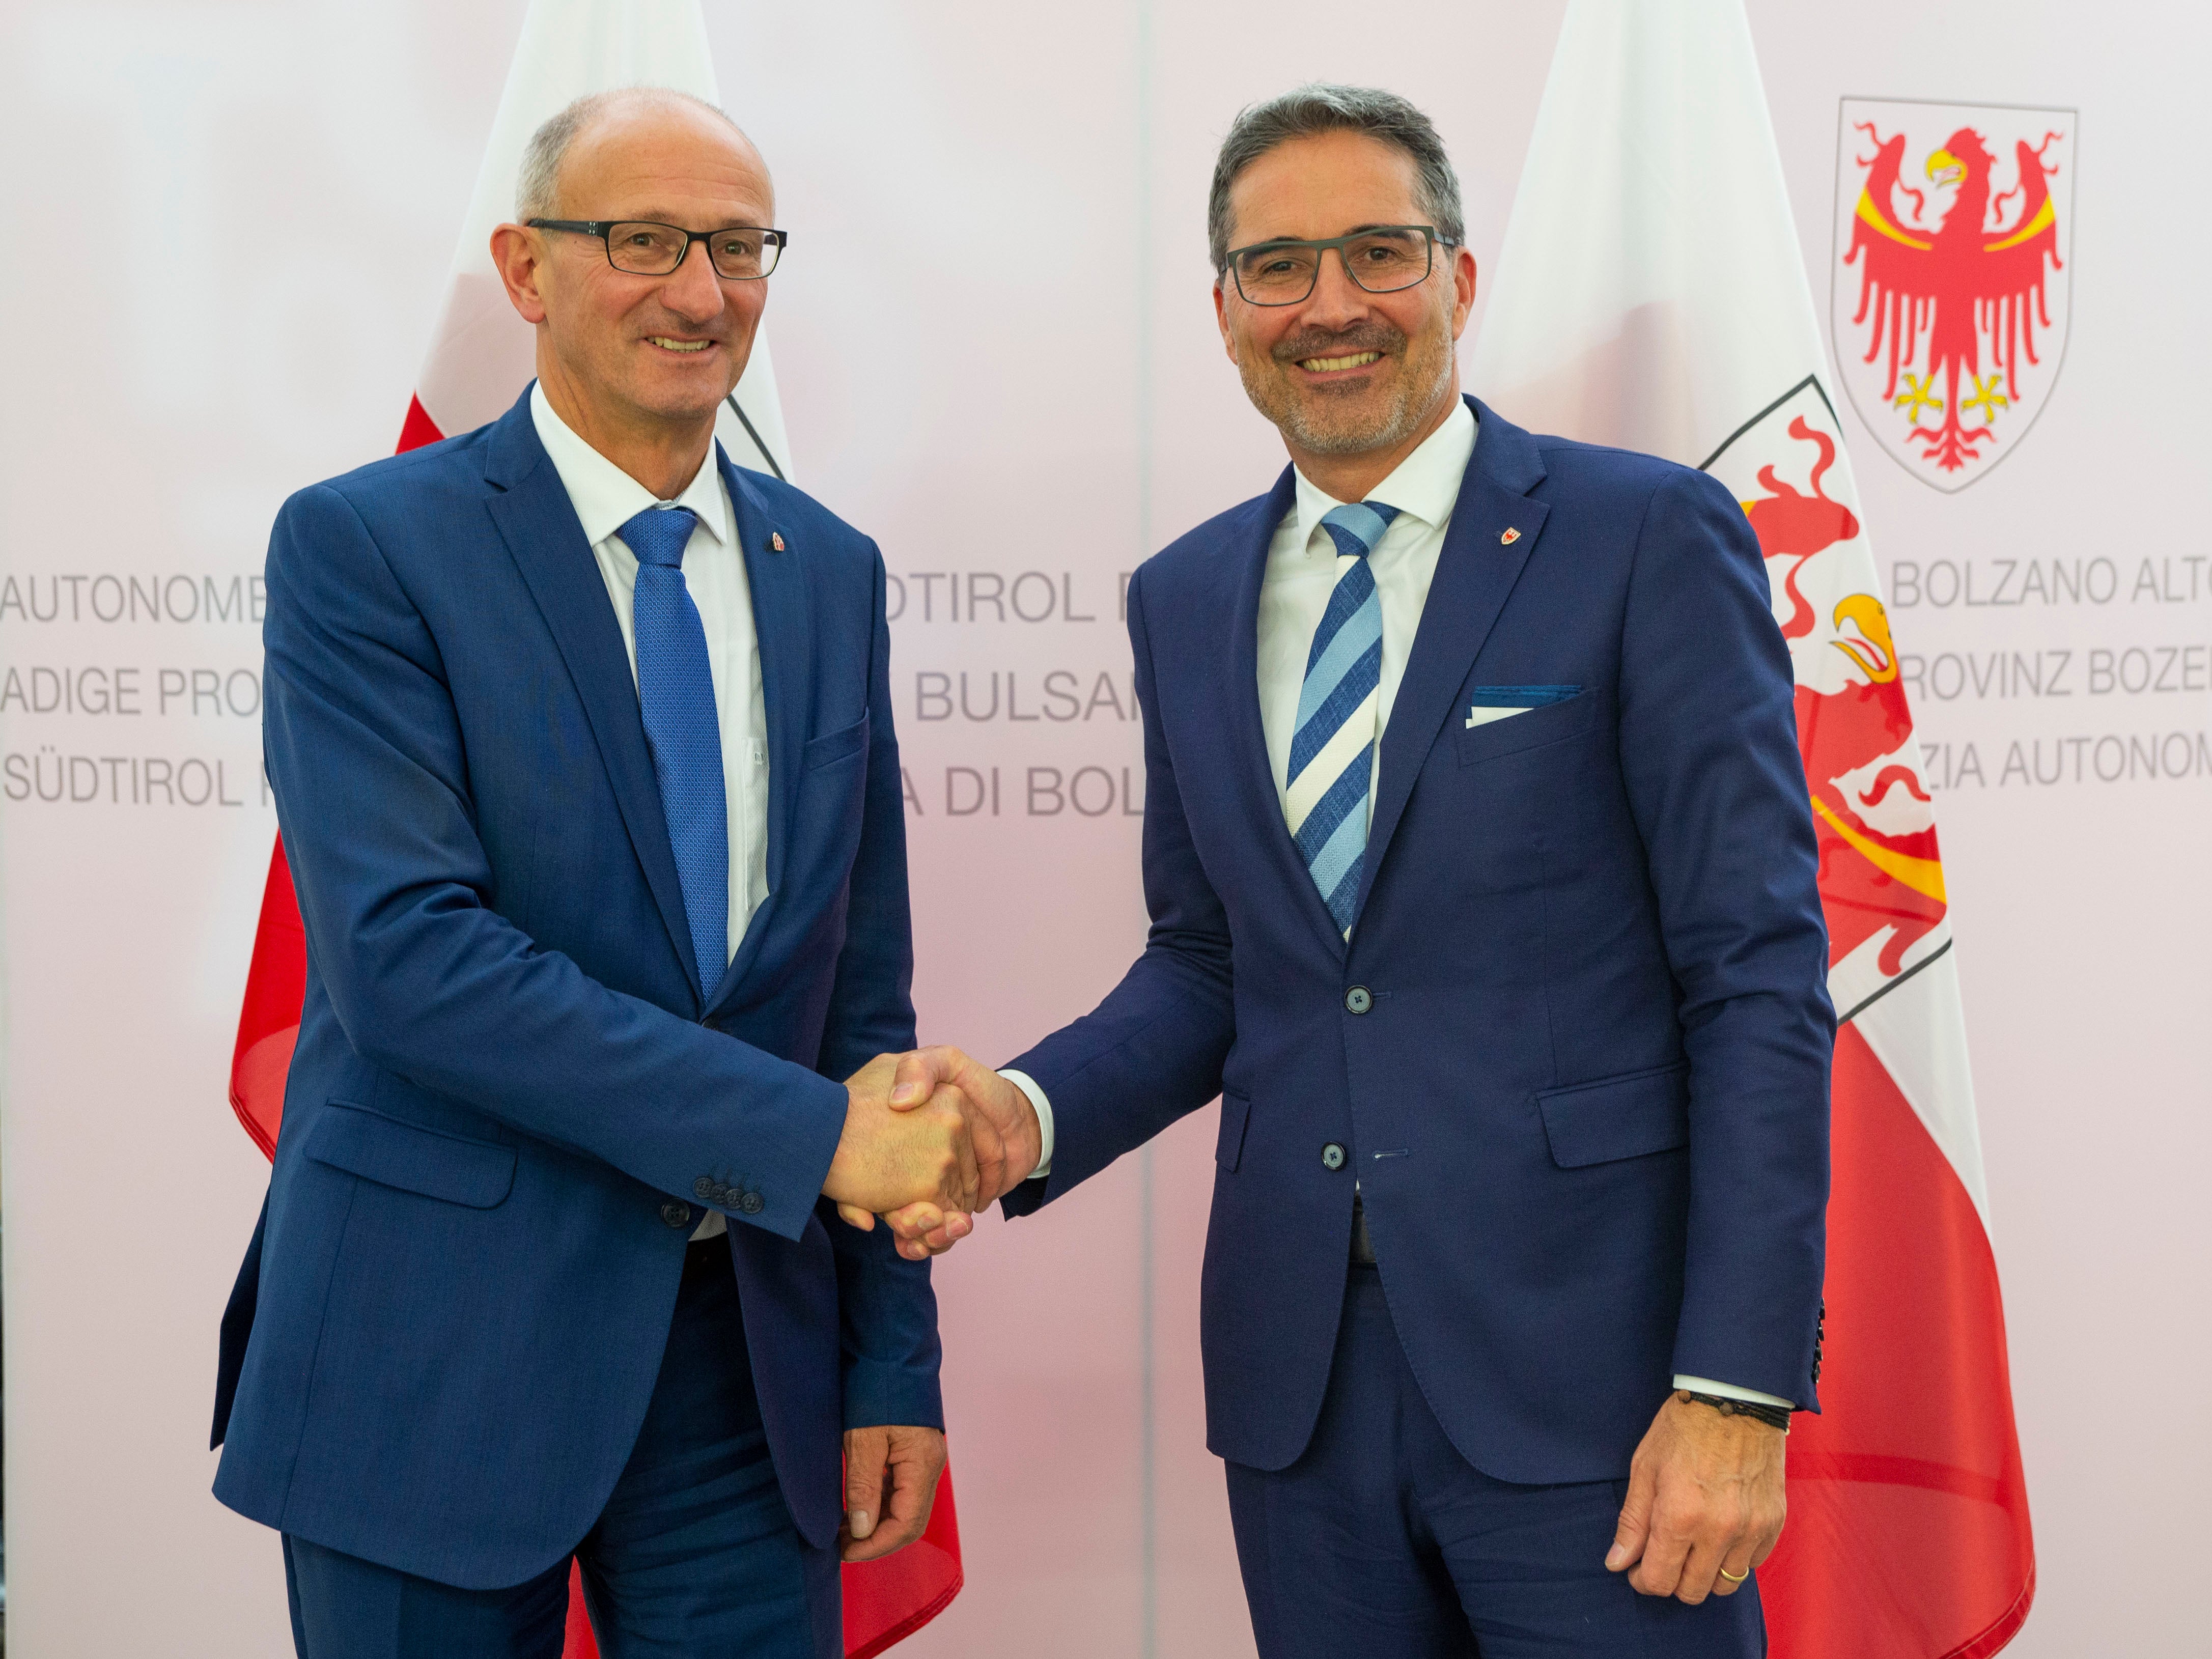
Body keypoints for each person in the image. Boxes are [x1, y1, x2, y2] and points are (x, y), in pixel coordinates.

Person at [875, 83, 1833, 1657]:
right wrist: (1022, 1116)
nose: (1330, 307)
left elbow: (1754, 979)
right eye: (1279, 266)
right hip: (1299, 1391)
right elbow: (1212, 961)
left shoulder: (1644, 536)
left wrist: (1733, 1386)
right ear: (1224, 312)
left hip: (1594, 1383)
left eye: (1378, 253)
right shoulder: (1180, 594)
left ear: (1458, 279)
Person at [209, 87, 993, 1658]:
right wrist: (811, 1138)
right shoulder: (367, 545)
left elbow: (859, 988)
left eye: (735, 246)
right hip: (432, 1344)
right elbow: (413, 963)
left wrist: (887, 1362)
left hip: (746, 1370)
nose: (698, 292)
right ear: (524, 267)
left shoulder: (827, 569)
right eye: (641, 240)